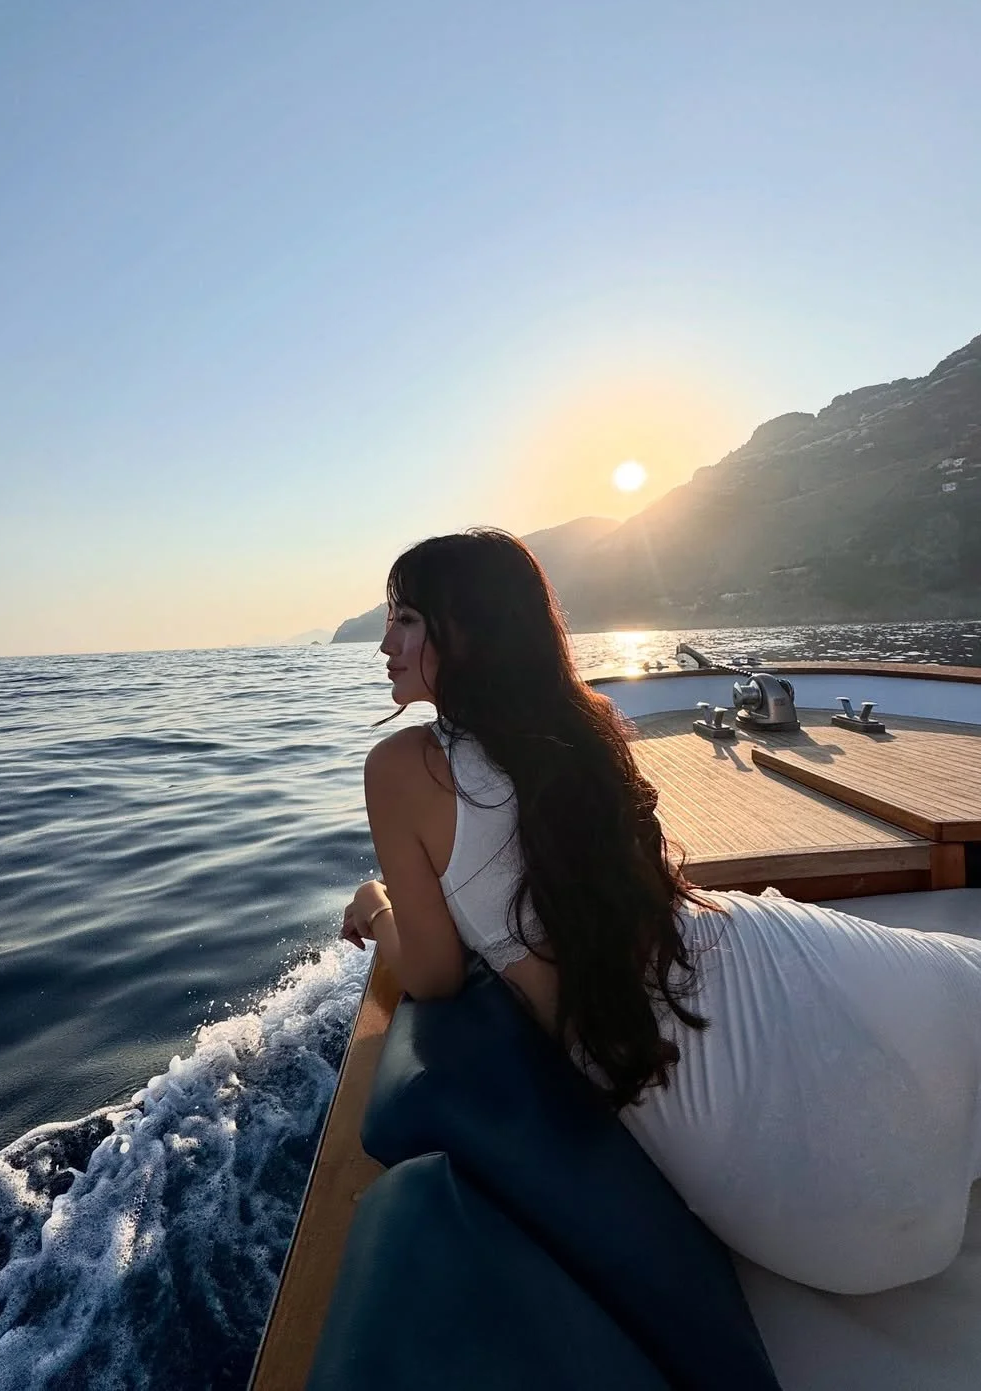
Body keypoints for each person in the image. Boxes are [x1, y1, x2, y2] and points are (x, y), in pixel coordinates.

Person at [340, 528, 981, 1296]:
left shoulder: (399, 769)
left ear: (471, 629)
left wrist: (378, 912)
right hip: (735, 951)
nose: (384, 643)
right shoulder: (585, 727)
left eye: (406, 619)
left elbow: (436, 975)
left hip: (665, 1075)